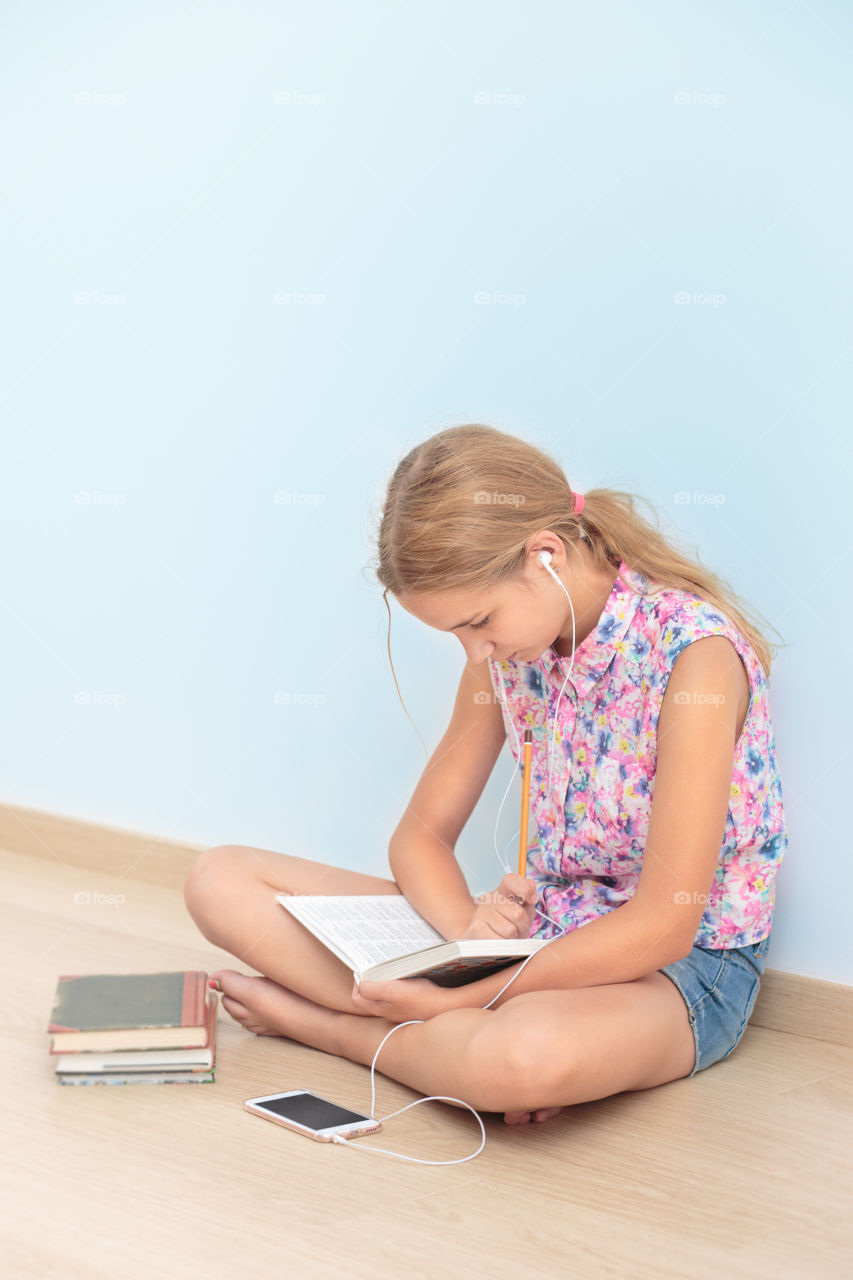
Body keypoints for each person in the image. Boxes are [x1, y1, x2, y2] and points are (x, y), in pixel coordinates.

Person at [183, 423, 788, 1125]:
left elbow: (663, 926)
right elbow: (418, 838)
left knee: (521, 1060)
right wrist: (469, 943)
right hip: (535, 941)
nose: (474, 654)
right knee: (220, 879)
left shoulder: (694, 656)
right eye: (456, 636)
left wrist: (471, 992)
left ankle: (335, 1029)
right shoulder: (507, 653)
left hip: (678, 971)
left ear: (546, 556)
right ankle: (443, 1045)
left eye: (478, 621)